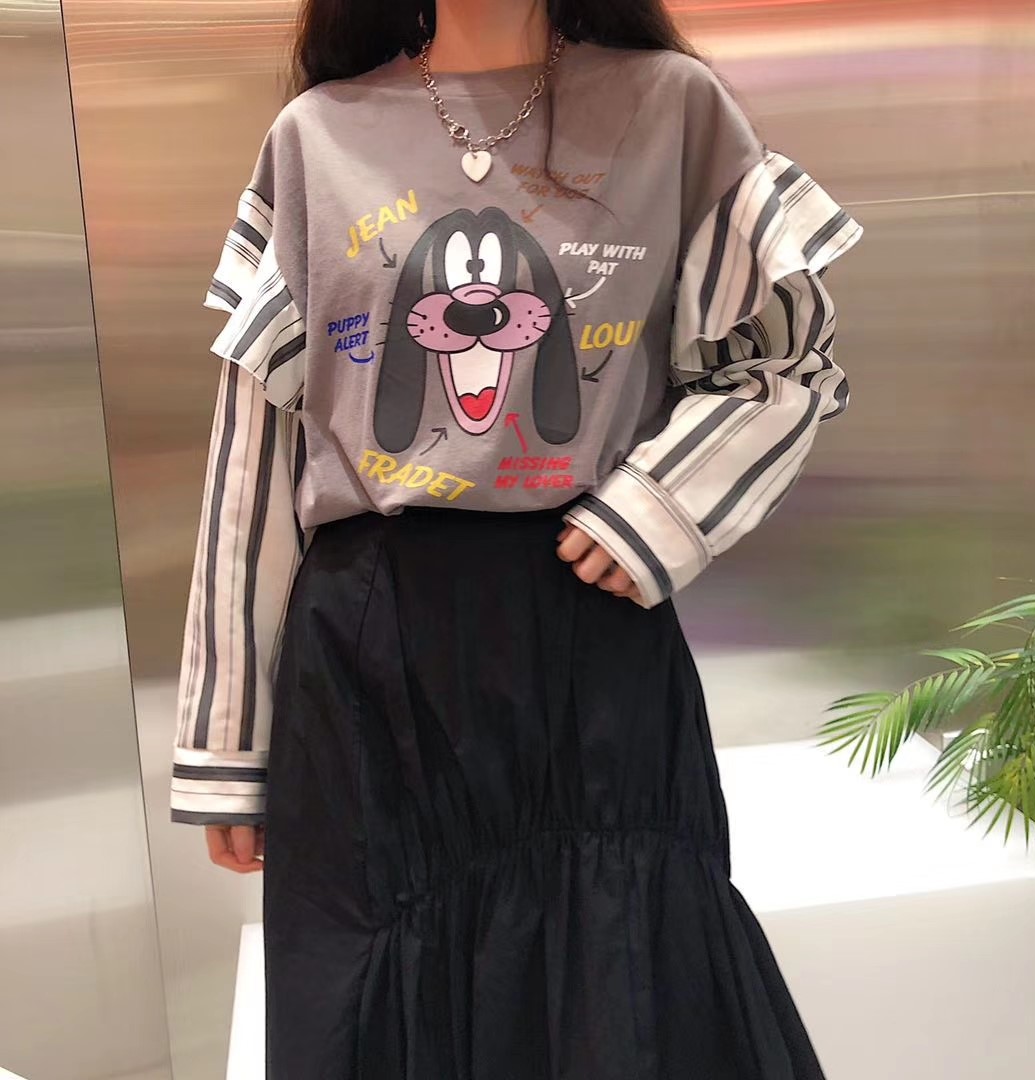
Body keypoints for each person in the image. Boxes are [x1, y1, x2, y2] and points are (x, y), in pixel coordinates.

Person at [170, 0, 862, 1075]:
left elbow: (786, 364)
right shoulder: (316, 136)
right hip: (370, 660)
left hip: (588, 633)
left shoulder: (670, 108)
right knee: (383, 1012)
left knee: (614, 994)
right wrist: (228, 741)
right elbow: (256, 447)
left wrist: (661, 504)